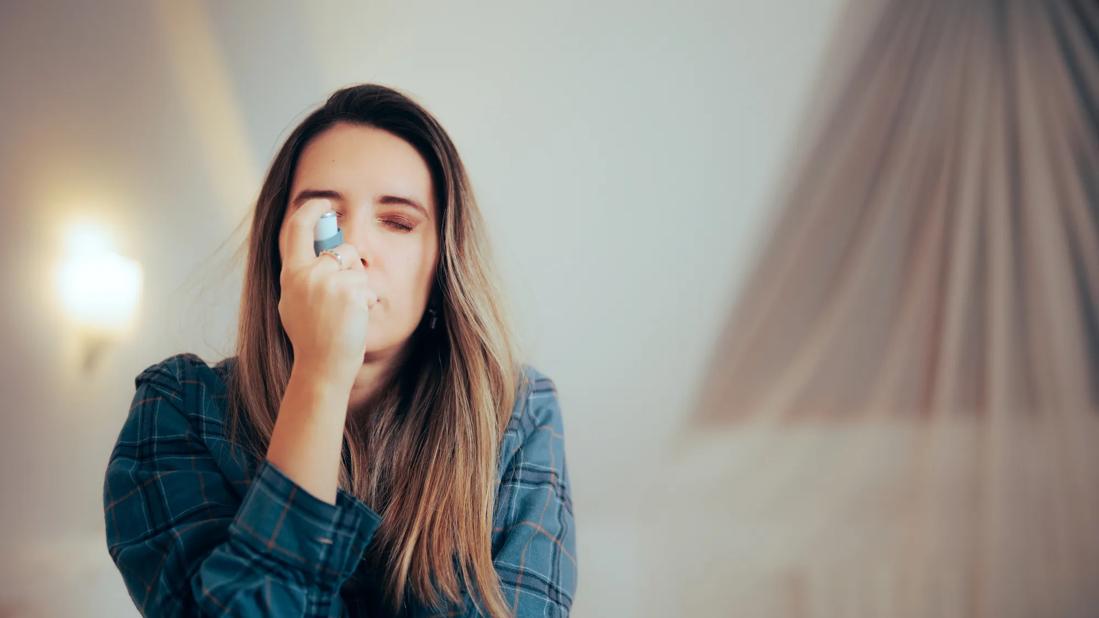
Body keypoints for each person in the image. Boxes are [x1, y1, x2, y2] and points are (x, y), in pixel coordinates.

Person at [102, 84, 577, 617]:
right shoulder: (178, 407)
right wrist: (321, 373)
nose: (352, 250)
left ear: (442, 262)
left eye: (397, 222)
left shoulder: (517, 412)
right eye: (325, 221)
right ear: (278, 249)